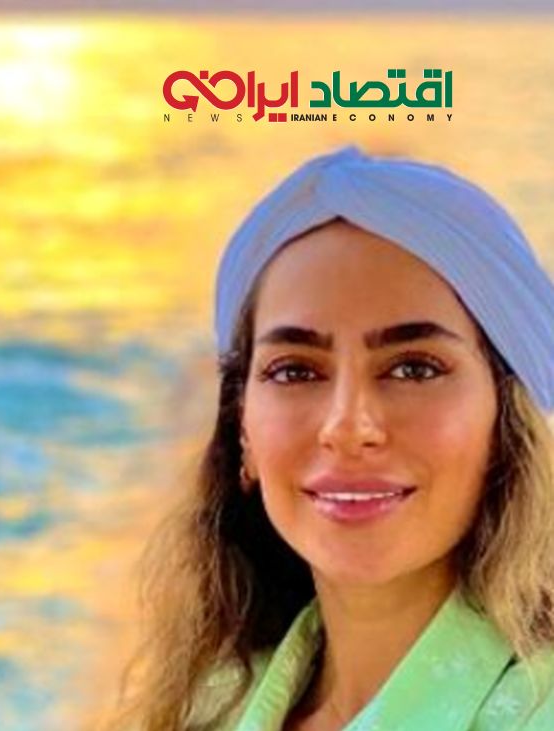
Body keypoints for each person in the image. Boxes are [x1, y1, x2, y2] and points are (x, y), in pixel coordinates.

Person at [116, 147, 554, 730]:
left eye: (414, 368)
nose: (347, 427)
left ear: (507, 418)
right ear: (242, 429)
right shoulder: (207, 706)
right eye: (295, 371)